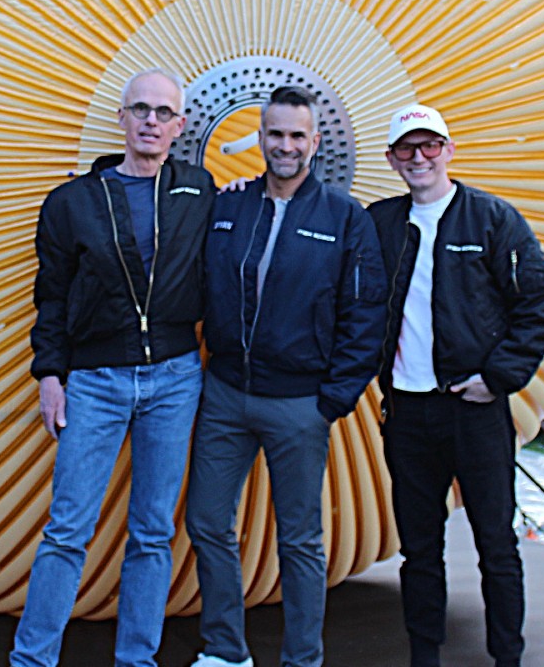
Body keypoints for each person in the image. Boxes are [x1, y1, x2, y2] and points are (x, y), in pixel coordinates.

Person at [12, 68, 216, 667]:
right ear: (121, 119)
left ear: (180, 126)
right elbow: (51, 295)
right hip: (95, 382)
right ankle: (33, 659)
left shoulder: (199, 191)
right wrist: (50, 375)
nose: (151, 122)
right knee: (67, 529)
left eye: (163, 113)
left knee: (153, 532)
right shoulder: (73, 202)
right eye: (141, 110)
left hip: (176, 376)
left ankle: (137, 659)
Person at [185, 85, 387, 667]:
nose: (286, 146)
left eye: (297, 135)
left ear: (315, 142)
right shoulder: (230, 206)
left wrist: (333, 400)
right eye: (275, 134)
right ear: (262, 138)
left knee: (299, 540)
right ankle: (226, 650)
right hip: (225, 393)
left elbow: (365, 314)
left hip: (300, 403)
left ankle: (302, 659)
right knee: (206, 521)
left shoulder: (344, 218)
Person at [367, 104, 544, 667]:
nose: (420, 157)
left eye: (430, 145)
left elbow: (540, 305)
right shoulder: (380, 223)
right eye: (407, 148)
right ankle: (423, 655)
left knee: (496, 546)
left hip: (475, 410)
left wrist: (497, 378)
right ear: (391, 159)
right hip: (407, 413)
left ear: (449, 151)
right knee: (419, 550)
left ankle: (508, 657)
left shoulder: (492, 220)